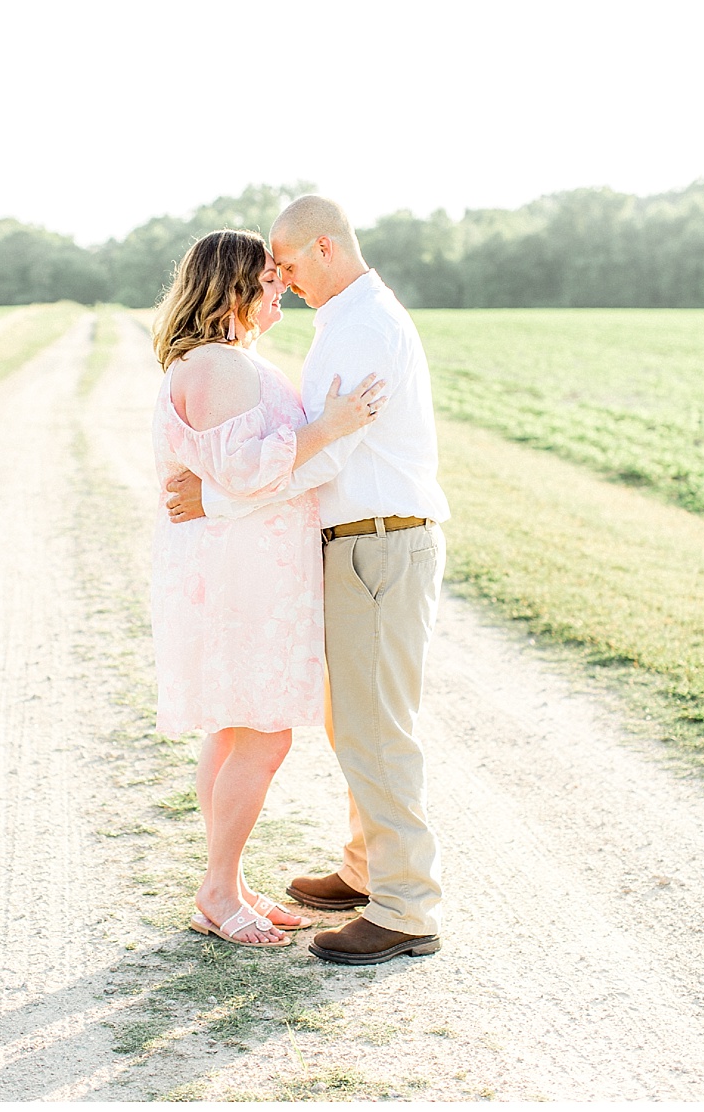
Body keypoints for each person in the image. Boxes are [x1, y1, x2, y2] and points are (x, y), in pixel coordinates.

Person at [166, 195, 453, 966]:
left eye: (288, 266)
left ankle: (406, 906)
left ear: (325, 247)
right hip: (360, 544)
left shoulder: (363, 329)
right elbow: (312, 441)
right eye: (272, 275)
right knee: (352, 719)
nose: (282, 283)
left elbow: (325, 453)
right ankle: (367, 870)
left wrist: (214, 497)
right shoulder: (345, 323)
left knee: (375, 727)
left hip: (379, 542)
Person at [150, 228, 384, 947]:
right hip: (243, 577)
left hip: (248, 569)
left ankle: (229, 883)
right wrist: (330, 427)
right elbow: (247, 471)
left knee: (236, 730)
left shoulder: (229, 362)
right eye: (267, 278)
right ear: (233, 288)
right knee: (261, 735)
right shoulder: (220, 366)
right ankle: (219, 891)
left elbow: (235, 475)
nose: (279, 286)